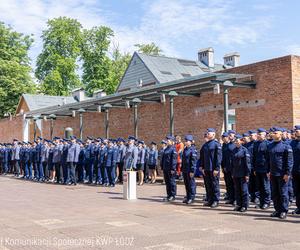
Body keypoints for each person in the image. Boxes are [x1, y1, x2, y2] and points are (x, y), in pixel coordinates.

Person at [267, 127, 293, 219]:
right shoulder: (270, 145)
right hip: (273, 173)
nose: (274, 134)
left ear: (281, 134)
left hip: (282, 174)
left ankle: (283, 211)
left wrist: (287, 173)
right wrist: (268, 171)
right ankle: (277, 210)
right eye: (273, 133)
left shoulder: (286, 146)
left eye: (276, 133)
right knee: (274, 193)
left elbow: (289, 161)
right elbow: (268, 160)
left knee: (283, 193)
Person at [200, 128, 222, 208]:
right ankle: (210, 200)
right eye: (207, 133)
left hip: (213, 169)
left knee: (214, 185)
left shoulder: (216, 144)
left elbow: (218, 157)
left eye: (208, 133)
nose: (207, 134)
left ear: (213, 134)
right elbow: (202, 157)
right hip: (206, 169)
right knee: (208, 185)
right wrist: (202, 167)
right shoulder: (205, 145)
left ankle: (215, 200)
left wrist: (217, 168)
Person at [231, 134, 251, 212]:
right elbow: (232, 163)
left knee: (244, 190)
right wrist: (232, 173)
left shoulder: (245, 150)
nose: (236, 143)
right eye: (235, 141)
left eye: (237, 141)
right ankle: (239, 204)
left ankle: (244, 205)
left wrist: (247, 174)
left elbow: (247, 163)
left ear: (242, 142)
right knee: (237, 190)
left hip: (243, 173)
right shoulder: (234, 150)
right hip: (236, 173)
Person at [253, 128, 271, 209]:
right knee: (259, 186)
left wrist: (269, 170)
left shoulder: (268, 144)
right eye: (258, 134)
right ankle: (261, 202)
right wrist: (254, 169)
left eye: (260, 134)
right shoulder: (256, 144)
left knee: (265, 186)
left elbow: (269, 158)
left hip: (265, 168)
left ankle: (267, 202)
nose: (258, 135)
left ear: (265, 135)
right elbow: (254, 157)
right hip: (257, 168)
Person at [182, 135, 197, 204]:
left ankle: (192, 197)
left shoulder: (193, 150)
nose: (185, 142)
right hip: (185, 169)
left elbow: (193, 161)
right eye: (185, 141)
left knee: (191, 184)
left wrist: (192, 171)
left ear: (190, 142)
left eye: (187, 141)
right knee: (186, 184)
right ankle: (188, 196)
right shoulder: (185, 149)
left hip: (190, 170)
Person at [161, 135, 177, 202]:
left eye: (168, 140)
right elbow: (163, 159)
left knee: (171, 182)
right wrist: (162, 166)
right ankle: (168, 195)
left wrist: (173, 169)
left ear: (172, 141)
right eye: (167, 140)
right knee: (167, 182)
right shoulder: (166, 149)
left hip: (170, 169)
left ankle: (172, 196)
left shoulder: (173, 149)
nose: (167, 141)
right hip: (165, 168)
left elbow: (174, 160)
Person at [221, 132, 235, 205]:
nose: (224, 139)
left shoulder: (233, 145)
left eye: (225, 137)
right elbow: (223, 158)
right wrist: (223, 167)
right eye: (223, 137)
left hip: (232, 168)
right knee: (228, 184)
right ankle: (230, 198)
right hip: (226, 168)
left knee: (234, 184)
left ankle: (235, 198)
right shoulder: (224, 145)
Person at [290, 125, 300, 214]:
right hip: (295, 170)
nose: (295, 132)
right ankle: (298, 207)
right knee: (296, 190)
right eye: (295, 131)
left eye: (297, 131)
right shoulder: (292, 143)